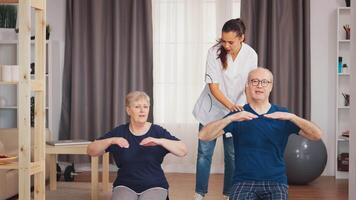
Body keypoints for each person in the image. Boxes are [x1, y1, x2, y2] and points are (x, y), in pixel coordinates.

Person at [199, 68, 322, 200]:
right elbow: (203, 135)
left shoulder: (282, 114)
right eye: (255, 81)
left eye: (264, 82)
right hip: (243, 182)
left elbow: (316, 135)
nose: (259, 85)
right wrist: (230, 118)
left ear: (271, 87)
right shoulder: (238, 114)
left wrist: (292, 117)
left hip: (276, 183)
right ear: (247, 85)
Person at [192, 18, 258, 199]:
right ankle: (199, 194)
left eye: (231, 41)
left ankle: (229, 194)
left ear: (242, 38)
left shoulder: (251, 55)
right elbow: (214, 88)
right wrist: (231, 107)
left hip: (237, 109)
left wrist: (243, 109)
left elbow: (249, 85)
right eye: (223, 41)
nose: (226, 45)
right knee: (204, 154)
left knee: (233, 155)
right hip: (212, 111)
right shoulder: (213, 52)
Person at [87, 91, 188, 200]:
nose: (142, 111)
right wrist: (111, 140)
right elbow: (91, 150)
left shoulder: (157, 131)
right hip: (125, 185)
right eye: (137, 107)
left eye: (145, 107)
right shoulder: (119, 132)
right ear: (128, 110)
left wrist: (160, 141)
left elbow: (183, 150)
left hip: (155, 185)